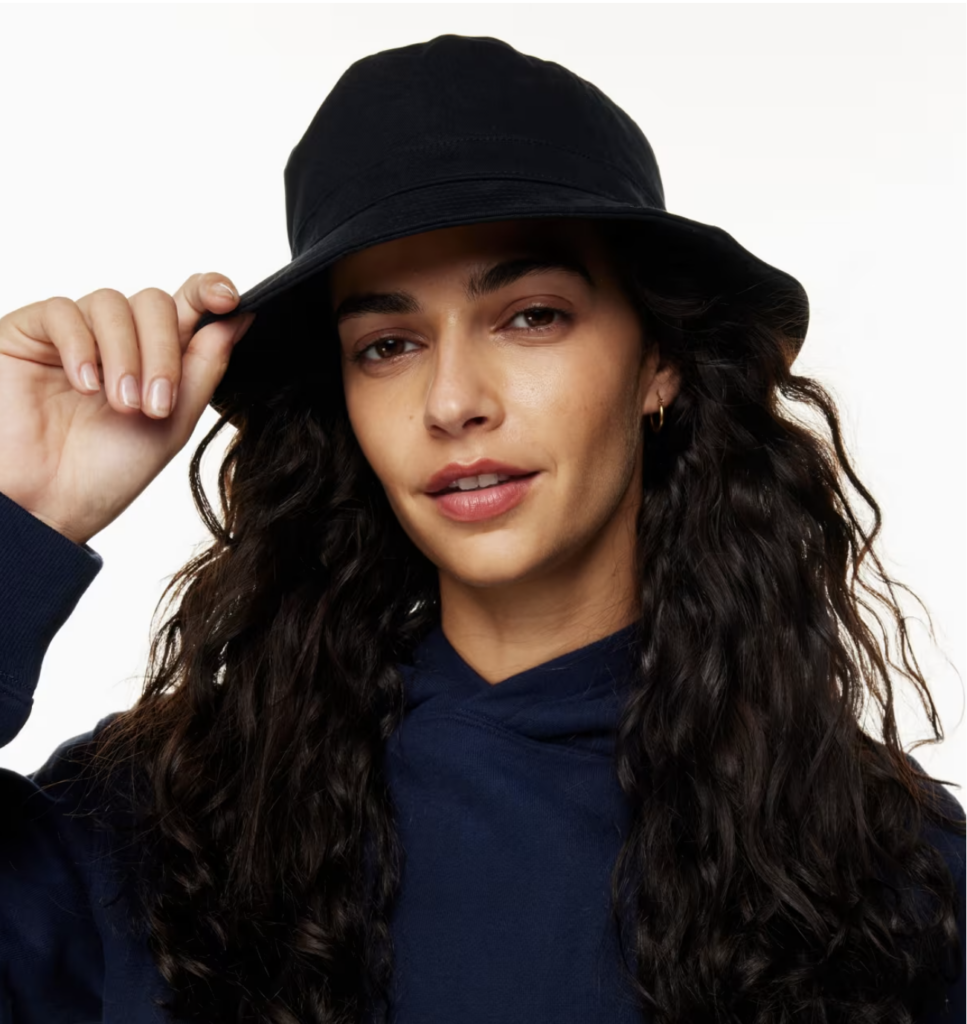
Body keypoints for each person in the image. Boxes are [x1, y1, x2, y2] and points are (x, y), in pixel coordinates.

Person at [0, 33, 962, 1024]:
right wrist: (20, 507)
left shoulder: (893, 879)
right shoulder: (155, 827)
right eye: (387, 344)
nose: (452, 401)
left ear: (659, 362)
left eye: (531, 316)